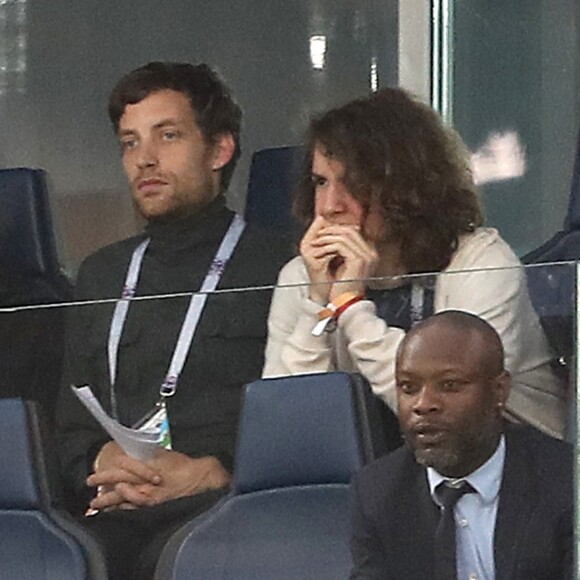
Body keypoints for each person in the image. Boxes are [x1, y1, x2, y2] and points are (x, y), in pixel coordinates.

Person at [55, 61, 292, 579]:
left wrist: (218, 470)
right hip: (116, 511)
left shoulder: (281, 265)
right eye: (130, 143)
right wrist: (99, 463)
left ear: (219, 150)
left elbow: (301, 419)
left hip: (227, 504)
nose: (145, 159)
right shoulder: (100, 275)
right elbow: (66, 427)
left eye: (168, 136)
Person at [263, 88, 566, 440]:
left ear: (407, 187)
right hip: (368, 480)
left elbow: (446, 415)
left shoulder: (479, 262)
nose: (330, 206)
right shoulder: (302, 275)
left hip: (507, 470)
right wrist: (319, 306)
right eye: (320, 182)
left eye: (354, 184)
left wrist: (351, 309)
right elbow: (283, 430)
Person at [350, 310, 572, 580]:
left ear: (499, 391)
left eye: (450, 385)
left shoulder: (566, 480)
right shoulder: (377, 492)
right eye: (408, 388)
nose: (423, 404)